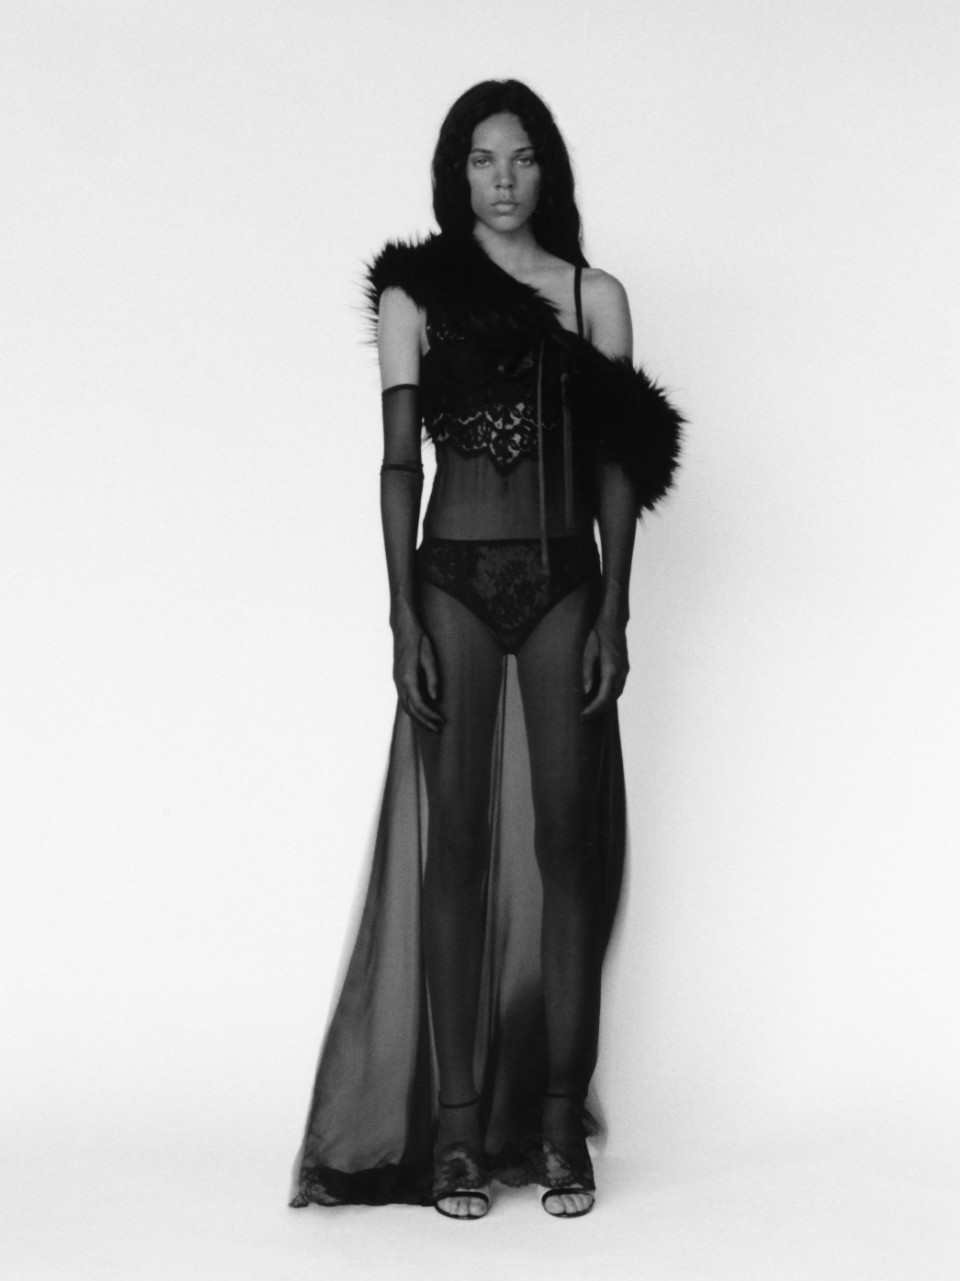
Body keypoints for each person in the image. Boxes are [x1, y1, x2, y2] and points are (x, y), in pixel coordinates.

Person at [290, 79, 681, 1221]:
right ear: (454, 172)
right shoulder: (416, 294)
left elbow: (618, 467)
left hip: (565, 585)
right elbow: (397, 464)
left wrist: (614, 609)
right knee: (452, 850)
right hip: (452, 585)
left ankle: (558, 1122)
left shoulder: (593, 296)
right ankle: (456, 1133)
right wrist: (401, 616)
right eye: (480, 158)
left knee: (570, 847)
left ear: (547, 169)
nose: (502, 179)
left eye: (520, 157)